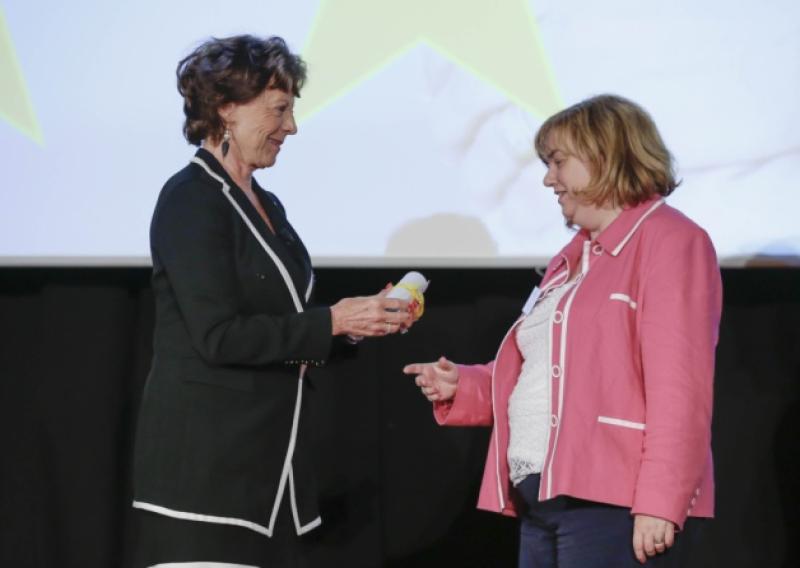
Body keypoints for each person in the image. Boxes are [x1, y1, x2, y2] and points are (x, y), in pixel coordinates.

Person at [404, 95, 722, 567]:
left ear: (604, 155)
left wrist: (660, 501)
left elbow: (681, 391)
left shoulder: (671, 241)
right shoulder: (573, 257)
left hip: (613, 502)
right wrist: (466, 385)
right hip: (545, 497)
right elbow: (552, 373)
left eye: (558, 162)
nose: (549, 179)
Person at [132, 35, 413, 567]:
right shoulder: (190, 199)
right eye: (279, 110)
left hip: (270, 476)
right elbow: (218, 337)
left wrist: (353, 324)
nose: (291, 127)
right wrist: (329, 321)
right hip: (206, 480)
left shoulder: (268, 204)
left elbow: (283, 325)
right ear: (226, 109)